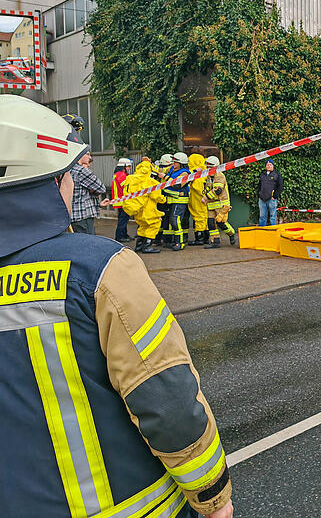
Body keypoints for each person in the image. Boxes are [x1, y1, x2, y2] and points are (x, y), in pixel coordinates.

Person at [0, 95, 233, 518]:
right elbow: (167, 400)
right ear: (53, 183)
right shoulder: (100, 268)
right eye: (69, 175)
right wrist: (212, 496)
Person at [122, 160, 166, 254]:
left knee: (143, 226)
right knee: (154, 224)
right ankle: (147, 246)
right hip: (148, 209)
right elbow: (156, 196)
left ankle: (139, 245)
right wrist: (163, 199)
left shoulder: (131, 179)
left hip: (137, 209)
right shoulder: (151, 182)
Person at [69, 151, 109, 235]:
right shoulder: (81, 171)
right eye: (87, 154)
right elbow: (101, 188)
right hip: (84, 217)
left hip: (73, 216)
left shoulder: (69, 169)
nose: (90, 157)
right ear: (79, 154)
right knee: (88, 244)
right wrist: (91, 189)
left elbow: (80, 194)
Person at [203, 156, 236, 249]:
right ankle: (215, 241)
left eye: (209, 167)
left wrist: (206, 197)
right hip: (211, 204)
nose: (207, 168)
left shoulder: (220, 175)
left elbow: (218, 191)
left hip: (221, 204)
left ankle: (231, 233)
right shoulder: (209, 177)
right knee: (211, 223)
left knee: (221, 223)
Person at [163, 152, 190, 251]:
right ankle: (172, 241)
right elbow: (160, 170)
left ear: (181, 163)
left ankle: (180, 242)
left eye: (175, 162)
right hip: (171, 199)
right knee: (170, 220)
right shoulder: (172, 169)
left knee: (175, 219)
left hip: (180, 200)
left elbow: (177, 185)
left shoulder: (185, 173)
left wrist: (165, 177)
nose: (173, 163)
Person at [187, 153, 209, 246]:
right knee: (204, 217)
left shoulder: (197, 175)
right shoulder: (205, 172)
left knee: (199, 217)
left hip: (198, 200)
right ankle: (206, 238)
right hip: (202, 200)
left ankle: (199, 238)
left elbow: (198, 188)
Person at [154, 153, 174, 247]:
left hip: (159, 198)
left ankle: (157, 239)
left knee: (160, 220)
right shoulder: (169, 171)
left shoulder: (157, 170)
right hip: (167, 198)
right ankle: (167, 241)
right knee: (167, 220)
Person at [112, 157, 134, 242]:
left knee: (124, 219)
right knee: (123, 220)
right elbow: (126, 186)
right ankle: (120, 236)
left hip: (121, 200)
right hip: (122, 200)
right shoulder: (121, 175)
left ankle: (124, 235)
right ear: (123, 166)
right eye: (128, 166)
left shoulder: (119, 174)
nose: (129, 168)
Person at [257, 159, 283, 226]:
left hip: (272, 200)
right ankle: (262, 231)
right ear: (265, 166)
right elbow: (259, 185)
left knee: (272, 217)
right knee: (262, 217)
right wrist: (259, 194)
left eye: (270, 164)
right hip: (262, 199)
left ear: (273, 166)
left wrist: (275, 196)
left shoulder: (277, 174)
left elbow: (280, 186)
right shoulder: (262, 174)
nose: (269, 166)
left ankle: (273, 232)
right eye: (267, 165)